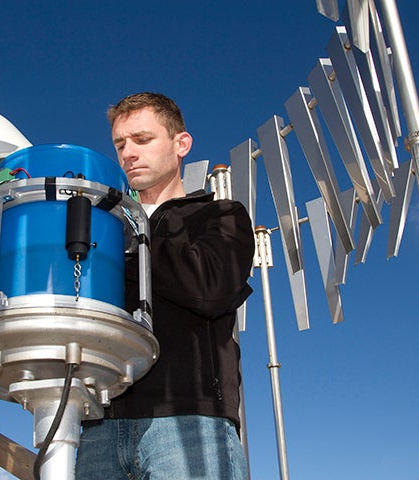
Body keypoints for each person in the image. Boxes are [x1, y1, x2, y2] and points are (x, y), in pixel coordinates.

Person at [75, 92, 254, 480]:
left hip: (190, 421)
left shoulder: (219, 216)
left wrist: (136, 227)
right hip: (99, 425)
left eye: (142, 140)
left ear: (181, 144)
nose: (128, 153)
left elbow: (210, 288)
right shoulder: (104, 228)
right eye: (120, 144)